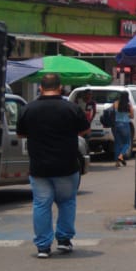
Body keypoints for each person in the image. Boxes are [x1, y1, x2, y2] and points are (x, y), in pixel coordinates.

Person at [17, 73, 90, 258]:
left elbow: (20, 134)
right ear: (60, 88)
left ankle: (43, 247)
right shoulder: (71, 108)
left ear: (41, 88)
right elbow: (84, 129)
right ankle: (64, 240)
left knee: (41, 204)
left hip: (39, 167)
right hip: (67, 165)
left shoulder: (28, 109)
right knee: (67, 203)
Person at [112, 91, 134, 166]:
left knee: (117, 143)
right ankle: (121, 156)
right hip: (125, 125)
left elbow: (111, 111)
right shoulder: (128, 105)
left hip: (116, 124)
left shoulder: (115, 103)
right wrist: (127, 114)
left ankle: (117, 162)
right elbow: (132, 116)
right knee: (127, 143)